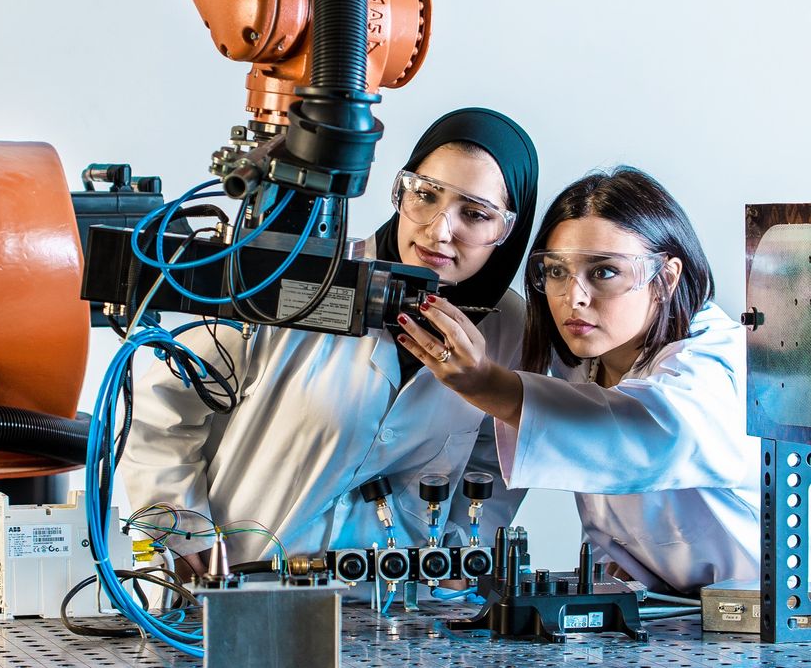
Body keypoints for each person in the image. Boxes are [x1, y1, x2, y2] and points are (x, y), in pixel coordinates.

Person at [121, 107, 539, 573]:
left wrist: (459, 565)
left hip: (393, 604)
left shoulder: (511, 329)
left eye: (476, 214)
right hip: (233, 579)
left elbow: (498, 463)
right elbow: (164, 406)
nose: (440, 230)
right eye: (424, 195)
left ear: (508, 230)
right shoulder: (303, 279)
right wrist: (177, 524)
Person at [397, 167, 759, 594]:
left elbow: (659, 432)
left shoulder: (721, 360)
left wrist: (485, 383)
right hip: (676, 618)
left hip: (770, 623)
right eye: (556, 271)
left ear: (665, 278)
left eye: (604, 272)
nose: (574, 297)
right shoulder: (585, 361)